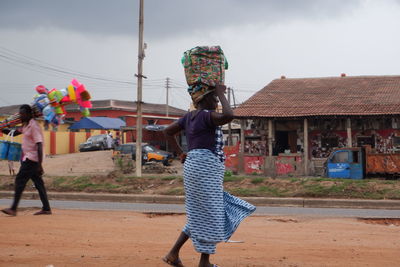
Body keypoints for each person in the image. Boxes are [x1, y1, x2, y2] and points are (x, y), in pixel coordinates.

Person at [163, 84, 256, 267]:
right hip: (205, 167)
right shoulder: (207, 115)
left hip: (195, 167)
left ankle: (174, 253)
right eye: (213, 98)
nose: (216, 102)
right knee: (211, 213)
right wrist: (222, 94)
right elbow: (229, 115)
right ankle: (204, 263)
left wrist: (181, 153)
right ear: (204, 99)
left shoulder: (189, 117)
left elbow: (167, 132)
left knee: (202, 212)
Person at [1, 104, 51, 216]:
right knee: (39, 183)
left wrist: (39, 165)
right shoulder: (26, 125)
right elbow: (14, 133)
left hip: (32, 159)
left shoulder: (34, 126)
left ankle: (13, 209)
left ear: (29, 114)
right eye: (20, 113)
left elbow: (39, 144)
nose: (21, 115)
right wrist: (2, 128)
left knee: (19, 180)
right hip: (28, 157)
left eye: (23, 113)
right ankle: (47, 208)